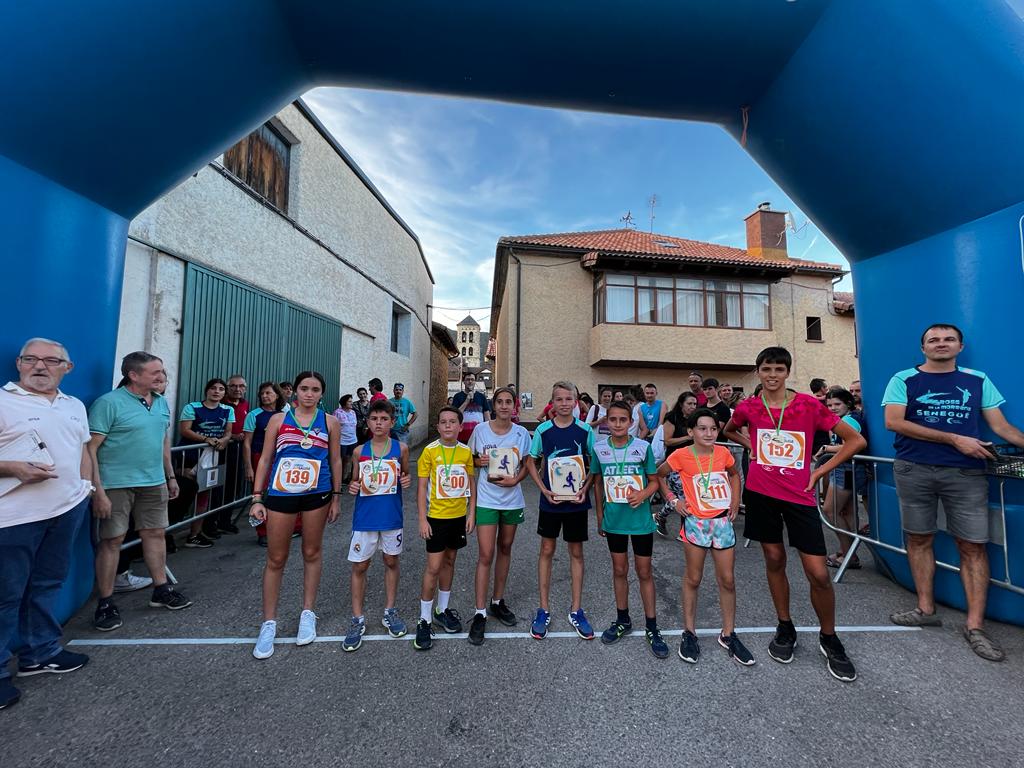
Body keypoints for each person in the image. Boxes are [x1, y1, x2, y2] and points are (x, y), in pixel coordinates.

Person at [723, 346, 865, 682]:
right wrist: (751, 447)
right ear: (758, 372)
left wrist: (818, 472)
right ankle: (785, 626)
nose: (772, 375)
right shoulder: (750, 406)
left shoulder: (809, 405)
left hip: (799, 496)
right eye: (766, 369)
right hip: (761, 493)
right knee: (773, 559)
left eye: (778, 370)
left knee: (817, 572)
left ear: (787, 372)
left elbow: (855, 441)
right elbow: (730, 430)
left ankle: (829, 637)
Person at [883, 323, 1024, 661]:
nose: (941, 344)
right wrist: (954, 439)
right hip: (914, 468)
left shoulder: (977, 380)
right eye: (934, 340)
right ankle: (925, 608)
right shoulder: (903, 379)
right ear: (923, 348)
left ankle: (975, 626)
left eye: (949, 339)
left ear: (961, 346)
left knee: (973, 545)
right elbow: (894, 422)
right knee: (918, 537)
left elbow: (1001, 426)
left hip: (966, 474)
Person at [0, 338, 92, 709]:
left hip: (65, 511)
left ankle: (41, 652)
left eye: (51, 361)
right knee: (5, 596)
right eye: (32, 359)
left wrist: (85, 489)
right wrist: (12, 468)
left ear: (66, 368)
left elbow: (83, 449)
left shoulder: (74, 406)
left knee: (47, 584)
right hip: (14, 517)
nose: (41, 366)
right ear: (19, 364)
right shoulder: (4, 401)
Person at [89, 352, 192, 632]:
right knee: (112, 540)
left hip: (154, 482)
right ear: (134, 375)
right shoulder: (108, 404)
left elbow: (162, 443)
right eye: (155, 372)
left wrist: (170, 476)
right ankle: (106, 601)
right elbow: (90, 449)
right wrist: (97, 489)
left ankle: (161, 589)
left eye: (162, 371)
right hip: (116, 484)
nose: (161, 376)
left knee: (155, 533)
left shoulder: (160, 404)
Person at [249, 372, 342, 659]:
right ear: (294, 392)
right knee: (276, 558)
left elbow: (335, 458)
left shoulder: (330, 422)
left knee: (311, 552)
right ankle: (269, 623)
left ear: (321, 394)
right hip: (281, 494)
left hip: (318, 493)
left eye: (315, 389)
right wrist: (256, 497)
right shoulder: (278, 420)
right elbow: (265, 458)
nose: (309, 394)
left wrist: (337, 497)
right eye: (304, 388)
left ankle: (307, 613)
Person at [660, 408, 753, 666]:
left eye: (713, 428)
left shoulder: (723, 453)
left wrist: (736, 500)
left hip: (722, 523)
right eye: (702, 428)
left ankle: (728, 634)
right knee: (693, 577)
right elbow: (659, 475)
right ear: (691, 432)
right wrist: (673, 500)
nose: (709, 433)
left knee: (727, 580)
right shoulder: (681, 455)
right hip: (696, 524)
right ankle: (689, 632)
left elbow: (734, 475)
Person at [590, 400, 667, 658]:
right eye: (613, 420)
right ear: (607, 422)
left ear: (631, 422)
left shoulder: (643, 447)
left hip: (640, 520)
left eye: (623, 420)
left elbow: (655, 482)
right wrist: (600, 516)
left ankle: (652, 626)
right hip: (614, 521)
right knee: (619, 570)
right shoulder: (599, 449)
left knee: (644, 572)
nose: (618, 424)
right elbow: (598, 483)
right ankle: (623, 619)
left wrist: (643, 494)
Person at [526, 381, 596, 640]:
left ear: (576, 402)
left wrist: (585, 487)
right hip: (551, 502)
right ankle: (543, 609)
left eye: (569, 399)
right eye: (559, 399)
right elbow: (531, 461)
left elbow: (594, 466)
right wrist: (543, 489)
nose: (564, 403)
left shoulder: (585, 429)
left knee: (576, 552)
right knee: (546, 550)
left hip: (576, 502)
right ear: (552, 403)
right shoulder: (543, 430)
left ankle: (576, 610)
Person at [342, 399, 412, 651]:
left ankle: (389, 611)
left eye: (384, 419)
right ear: (368, 422)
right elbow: (354, 481)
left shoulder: (401, 448)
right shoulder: (360, 451)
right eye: (374, 419)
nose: (379, 423)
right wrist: (352, 487)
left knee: (391, 561)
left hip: (391, 516)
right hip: (365, 518)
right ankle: (357, 618)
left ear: (392, 422)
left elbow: (405, 475)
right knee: (360, 565)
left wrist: (406, 480)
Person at [467, 387, 531, 644]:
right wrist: (477, 462)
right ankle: (480, 612)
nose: (504, 406)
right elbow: (469, 460)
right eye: (500, 402)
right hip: (486, 499)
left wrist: (516, 479)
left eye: (508, 402)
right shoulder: (480, 430)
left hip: (512, 499)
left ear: (514, 406)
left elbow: (528, 463)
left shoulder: (521, 433)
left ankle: (497, 601)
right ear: (494, 405)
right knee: (485, 554)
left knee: (505, 547)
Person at [413, 406, 476, 651]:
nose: (448, 426)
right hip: (436, 517)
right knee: (434, 567)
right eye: (443, 422)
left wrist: (472, 513)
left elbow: (472, 484)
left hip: (458, 517)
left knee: (449, 562)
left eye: (453, 422)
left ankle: (442, 609)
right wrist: (422, 519)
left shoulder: (465, 452)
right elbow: (421, 489)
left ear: (460, 427)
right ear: (437, 426)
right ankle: (424, 619)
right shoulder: (429, 452)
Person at [178, 378, 234, 548]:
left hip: (212, 457)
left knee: (203, 496)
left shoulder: (227, 410)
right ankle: (167, 535)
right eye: (213, 388)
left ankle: (194, 535)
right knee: (181, 494)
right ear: (207, 390)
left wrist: (224, 440)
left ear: (225, 393)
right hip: (190, 456)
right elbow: (185, 430)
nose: (217, 391)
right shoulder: (192, 407)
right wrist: (205, 439)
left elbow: (228, 432)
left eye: (221, 389)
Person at [817, 388, 868, 570]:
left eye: (837, 404)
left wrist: (826, 449)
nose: (832, 408)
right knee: (846, 512)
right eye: (829, 405)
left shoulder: (848, 420)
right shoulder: (853, 417)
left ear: (847, 403)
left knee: (830, 510)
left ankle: (849, 554)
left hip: (847, 470)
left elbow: (851, 445)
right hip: (851, 469)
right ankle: (846, 550)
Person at [242, 382, 291, 547]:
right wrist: (248, 466)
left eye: (268, 393)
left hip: (281, 460)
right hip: (260, 458)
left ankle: (280, 530)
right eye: (262, 393)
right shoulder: (253, 415)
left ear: (277, 395)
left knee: (280, 494)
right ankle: (262, 532)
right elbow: (247, 443)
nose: (265, 396)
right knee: (261, 495)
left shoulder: (285, 415)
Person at [655, 391, 698, 538]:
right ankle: (683, 532)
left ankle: (661, 516)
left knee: (685, 497)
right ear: (681, 404)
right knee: (683, 497)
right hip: (674, 463)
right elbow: (667, 440)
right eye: (689, 404)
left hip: (692, 462)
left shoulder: (695, 419)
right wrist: (688, 436)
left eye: (695, 404)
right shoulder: (672, 417)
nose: (693, 407)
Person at [219, 374, 249, 532]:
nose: (238, 389)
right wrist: (232, 437)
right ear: (228, 387)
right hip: (222, 450)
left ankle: (225, 521)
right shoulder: (221, 404)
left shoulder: (245, 404)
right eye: (233, 386)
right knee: (219, 488)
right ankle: (213, 523)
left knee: (234, 486)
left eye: (241, 386)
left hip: (238, 451)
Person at [452, 372, 490, 444]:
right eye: (468, 379)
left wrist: (488, 432)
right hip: (462, 435)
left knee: (477, 455)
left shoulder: (481, 397)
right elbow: (454, 415)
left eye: (472, 379)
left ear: (475, 382)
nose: (470, 381)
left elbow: (487, 416)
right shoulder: (457, 396)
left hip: (478, 435)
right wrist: (466, 401)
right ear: (464, 382)